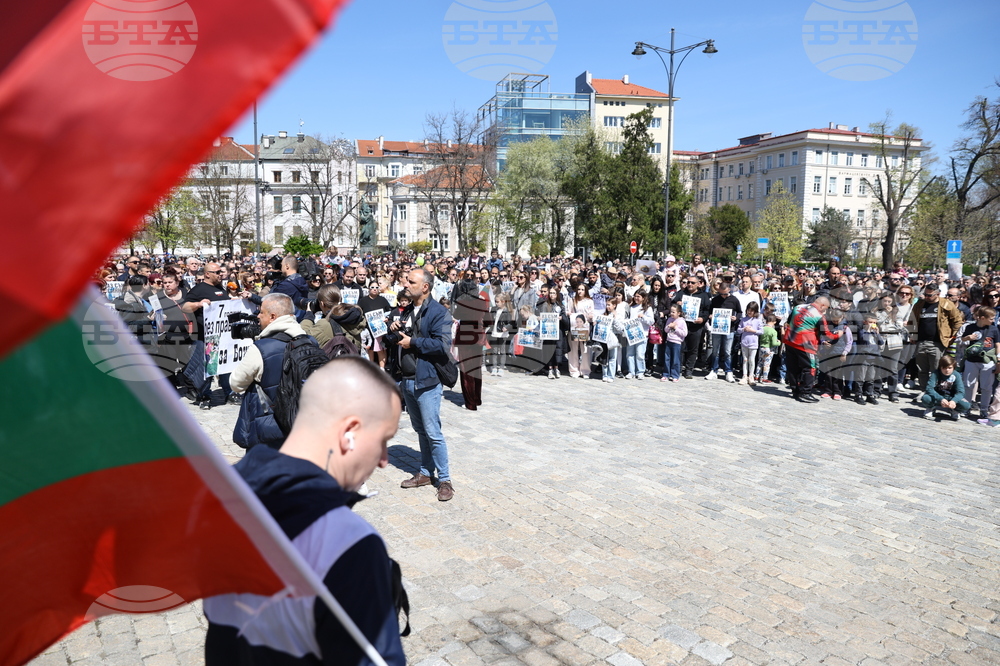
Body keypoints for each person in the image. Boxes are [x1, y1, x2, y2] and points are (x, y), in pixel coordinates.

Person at [204, 358, 407, 666]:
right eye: (383, 440)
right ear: (350, 431)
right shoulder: (349, 543)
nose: (383, 459)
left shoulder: (223, 499)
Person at [394, 268, 455, 502]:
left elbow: (442, 346)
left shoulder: (440, 312)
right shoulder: (408, 309)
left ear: (425, 287)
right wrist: (395, 330)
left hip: (427, 380)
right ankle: (427, 473)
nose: (405, 284)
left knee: (433, 432)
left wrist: (414, 342)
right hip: (408, 379)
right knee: (421, 431)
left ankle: (446, 479)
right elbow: (404, 339)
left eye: (411, 282)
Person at [230, 294, 308, 449]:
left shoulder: (261, 349)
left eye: (261, 312)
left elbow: (235, 384)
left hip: (267, 429)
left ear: (273, 317)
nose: (258, 316)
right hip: (302, 425)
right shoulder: (311, 341)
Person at [180, 262, 234, 409]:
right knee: (206, 368)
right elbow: (185, 307)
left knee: (224, 365)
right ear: (207, 274)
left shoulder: (219, 288)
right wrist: (198, 304)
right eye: (216, 272)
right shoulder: (198, 289)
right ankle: (204, 395)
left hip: (222, 336)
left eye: (220, 272)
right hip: (204, 337)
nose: (220, 274)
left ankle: (229, 392)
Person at [907, 283, 964, 392]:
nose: (927, 297)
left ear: (938, 294)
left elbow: (957, 321)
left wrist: (952, 337)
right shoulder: (919, 304)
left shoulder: (946, 304)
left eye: (930, 295)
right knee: (922, 369)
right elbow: (911, 320)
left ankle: (936, 391)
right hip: (921, 341)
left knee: (936, 369)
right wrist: (912, 334)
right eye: (925, 295)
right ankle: (924, 391)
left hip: (938, 343)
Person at [784, 296, 834, 403]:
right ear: (822, 305)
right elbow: (826, 334)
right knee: (810, 368)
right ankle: (806, 393)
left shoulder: (798, 307)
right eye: (826, 308)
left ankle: (795, 390)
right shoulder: (820, 316)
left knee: (793, 368)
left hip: (790, 341)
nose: (826, 311)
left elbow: (788, 321)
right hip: (805, 345)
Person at [958, 306, 998, 417]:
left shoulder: (993, 329)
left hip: (988, 361)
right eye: (991, 318)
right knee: (968, 385)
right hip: (971, 360)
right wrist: (968, 338)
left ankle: (984, 410)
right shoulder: (970, 327)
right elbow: (962, 339)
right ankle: (966, 407)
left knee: (986, 387)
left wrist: (998, 359)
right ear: (982, 318)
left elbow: (998, 345)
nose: (993, 321)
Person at [672, 275, 711, 379]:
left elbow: (708, 311)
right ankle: (678, 367)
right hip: (682, 325)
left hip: (696, 326)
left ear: (698, 284)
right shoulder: (681, 293)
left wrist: (703, 319)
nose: (689, 284)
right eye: (688, 282)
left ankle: (689, 370)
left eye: (692, 283)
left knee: (693, 349)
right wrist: (677, 304)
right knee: (680, 347)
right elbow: (672, 305)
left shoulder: (704, 295)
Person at [919, 355, 970, 421]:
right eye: (944, 368)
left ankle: (954, 410)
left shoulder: (956, 375)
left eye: (949, 368)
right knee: (926, 398)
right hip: (937, 396)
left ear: (953, 368)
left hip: (951, 397)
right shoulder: (935, 374)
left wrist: (954, 401)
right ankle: (931, 408)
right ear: (940, 367)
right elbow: (929, 388)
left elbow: (961, 392)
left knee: (966, 405)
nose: (947, 370)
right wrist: (941, 399)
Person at [566, 283, 595, 379]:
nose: (580, 291)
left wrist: (591, 317)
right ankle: (574, 370)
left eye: (582, 289)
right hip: (574, 326)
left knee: (585, 350)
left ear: (585, 291)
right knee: (573, 350)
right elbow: (568, 311)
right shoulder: (572, 301)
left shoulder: (589, 301)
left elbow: (592, 313)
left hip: (585, 327)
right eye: (579, 289)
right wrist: (569, 313)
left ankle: (585, 370)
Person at [623, 289, 654, 380]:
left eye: (638, 296)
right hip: (632, 334)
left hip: (642, 334)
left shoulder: (647, 308)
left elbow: (651, 321)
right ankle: (631, 371)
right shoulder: (631, 307)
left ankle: (640, 371)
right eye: (635, 296)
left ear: (643, 298)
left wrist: (643, 317)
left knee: (640, 354)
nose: (636, 298)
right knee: (630, 353)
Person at [738, 301, 763, 386]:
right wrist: (743, 329)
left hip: (753, 343)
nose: (750, 312)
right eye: (748, 310)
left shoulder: (758, 320)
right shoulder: (743, 319)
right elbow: (738, 329)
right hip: (744, 342)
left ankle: (751, 376)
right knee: (745, 359)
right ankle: (744, 375)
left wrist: (753, 330)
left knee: (752, 360)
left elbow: (761, 331)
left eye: (752, 311)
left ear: (755, 311)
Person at [662, 303, 687, 382]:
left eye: (673, 312)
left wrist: (675, 328)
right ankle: (666, 374)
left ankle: (675, 375)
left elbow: (684, 333)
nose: (671, 314)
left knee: (675, 359)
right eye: (671, 312)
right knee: (667, 358)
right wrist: (669, 326)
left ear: (678, 313)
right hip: (669, 341)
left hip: (677, 343)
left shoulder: (682, 321)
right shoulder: (669, 319)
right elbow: (665, 330)